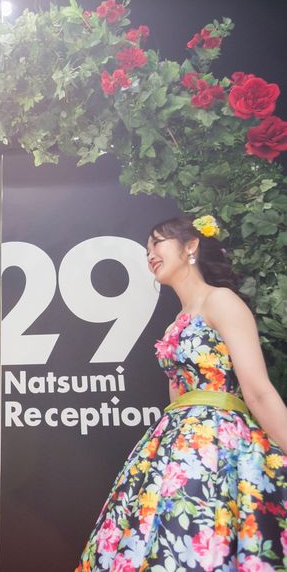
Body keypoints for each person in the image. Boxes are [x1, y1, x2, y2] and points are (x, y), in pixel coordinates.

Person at [76, 214, 287, 571]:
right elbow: (176, 399)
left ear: (191, 246)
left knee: (203, 539)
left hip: (217, 446)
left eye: (157, 243)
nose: (150, 254)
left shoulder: (221, 301)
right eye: (146, 249)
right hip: (170, 447)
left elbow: (258, 392)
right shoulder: (175, 323)